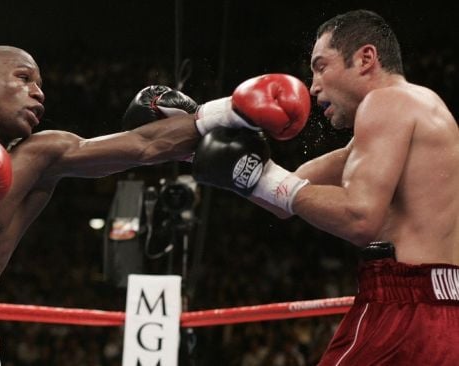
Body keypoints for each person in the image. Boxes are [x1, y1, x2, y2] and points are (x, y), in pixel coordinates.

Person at [0, 45, 308, 365]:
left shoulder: (43, 155)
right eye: (24, 78)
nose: (38, 92)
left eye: (40, 83)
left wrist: (232, 110)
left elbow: (144, 145)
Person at [193, 9, 459, 365]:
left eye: (321, 66)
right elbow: (287, 192)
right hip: (443, 307)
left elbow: (359, 217)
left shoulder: (388, 101)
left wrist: (261, 177)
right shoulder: (411, 115)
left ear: (366, 58)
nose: (313, 85)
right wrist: (211, 145)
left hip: (406, 309)